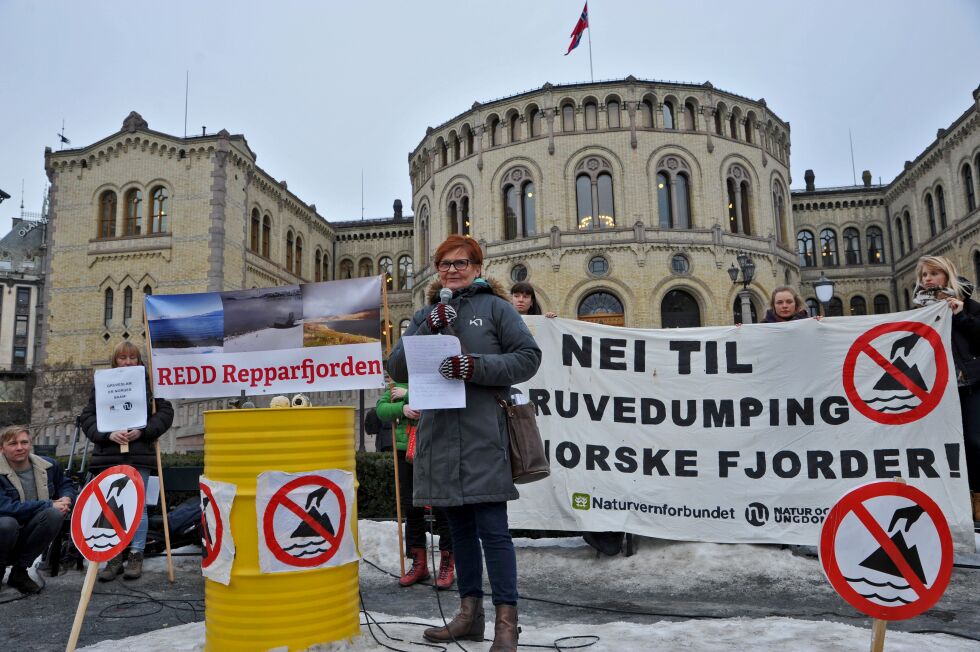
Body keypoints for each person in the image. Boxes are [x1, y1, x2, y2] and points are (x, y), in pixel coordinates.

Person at [389, 235, 542, 652]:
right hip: (439, 437)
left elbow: (528, 357)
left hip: (482, 435)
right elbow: (396, 366)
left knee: (493, 531)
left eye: (461, 263)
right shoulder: (425, 313)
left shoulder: (496, 309)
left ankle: (507, 625)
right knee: (457, 532)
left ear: (477, 267)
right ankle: (469, 616)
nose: (452, 270)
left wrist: (474, 366)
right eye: (445, 264)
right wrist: (426, 325)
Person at [80, 341, 174, 581]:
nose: (128, 362)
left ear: (140, 361)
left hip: (138, 454)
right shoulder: (102, 384)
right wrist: (107, 434)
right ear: (115, 361)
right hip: (107, 455)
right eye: (123, 358)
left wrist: (143, 431)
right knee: (110, 507)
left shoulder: (150, 385)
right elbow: (88, 417)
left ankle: (136, 554)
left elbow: (165, 412)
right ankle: (114, 556)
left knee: (137, 506)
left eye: (133, 358)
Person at [913, 256, 980, 520]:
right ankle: (954, 499)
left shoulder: (969, 307)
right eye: (923, 275)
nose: (927, 279)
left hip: (970, 385)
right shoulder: (919, 312)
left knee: (974, 441)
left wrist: (960, 315)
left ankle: (977, 496)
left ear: (946, 275)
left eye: (933, 274)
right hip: (938, 390)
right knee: (946, 446)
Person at [376, 381, 455, 589]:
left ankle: (448, 563)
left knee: (442, 506)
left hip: (436, 447)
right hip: (406, 450)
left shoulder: (437, 377)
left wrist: (409, 394)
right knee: (412, 507)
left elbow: (445, 401)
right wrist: (401, 408)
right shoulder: (396, 380)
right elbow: (381, 409)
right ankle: (418, 563)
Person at [0, 426, 76, 594]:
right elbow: (5, 508)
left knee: (54, 514)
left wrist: (66, 498)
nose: (20, 447)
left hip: (32, 527)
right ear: (2, 448)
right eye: (13, 443)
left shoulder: (48, 465)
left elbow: (66, 485)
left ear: (30, 444)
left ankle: (19, 573)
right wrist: (48, 504)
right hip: (5, 531)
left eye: (24, 442)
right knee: (7, 523)